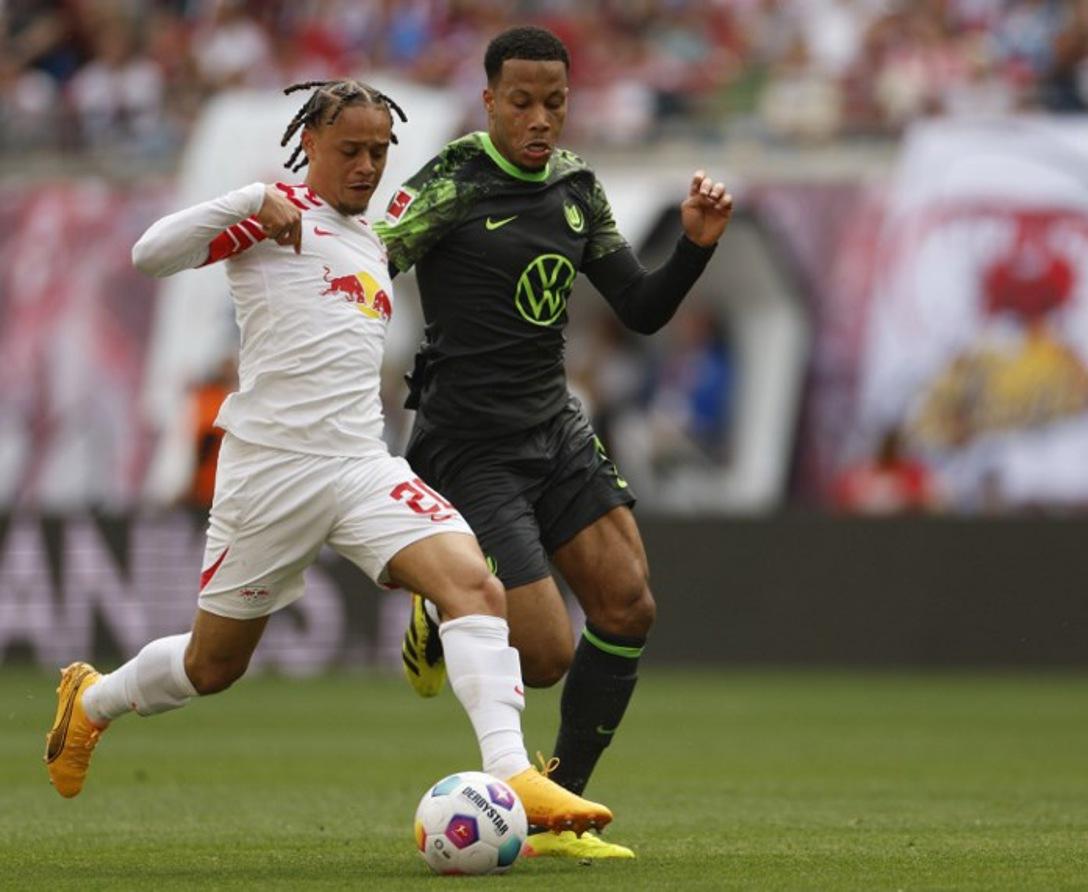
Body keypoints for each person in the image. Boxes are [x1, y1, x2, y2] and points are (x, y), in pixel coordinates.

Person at [43, 78, 612, 836]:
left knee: (476, 586)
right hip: (271, 475)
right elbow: (150, 256)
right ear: (310, 145)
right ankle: (90, 701)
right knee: (212, 667)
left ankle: (512, 774)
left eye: (379, 151)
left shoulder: (374, 247)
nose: (368, 166)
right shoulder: (274, 217)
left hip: (359, 466)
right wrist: (245, 200)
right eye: (351, 150)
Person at [374, 26, 734, 859]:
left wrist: (694, 246)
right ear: (490, 100)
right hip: (468, 445)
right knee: (544, 657)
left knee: (629, 604)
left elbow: (639, 311)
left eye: (556, 103)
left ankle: (557, 805)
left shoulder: (576, 185)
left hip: (555, 428)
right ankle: (440, 598)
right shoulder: (450, 183)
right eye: (524, 102)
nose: (542, 119)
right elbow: (368, 266)